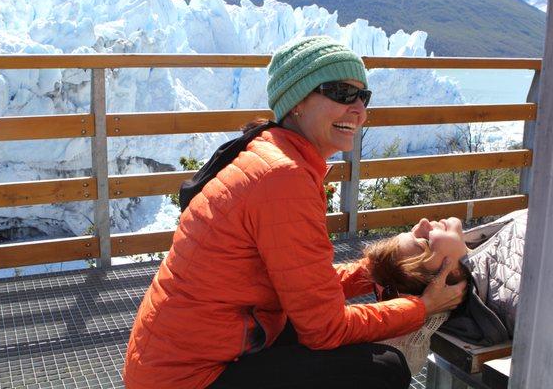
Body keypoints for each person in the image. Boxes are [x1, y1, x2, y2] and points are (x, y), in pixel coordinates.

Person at [123, 35, 466, 389]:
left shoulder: (271, 154)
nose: (359, 110)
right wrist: (421, 308)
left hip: (176, 360)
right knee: (384, 368)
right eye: (342, 93)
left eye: (364, 97)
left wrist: (372, 271)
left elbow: (301, 283)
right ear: (297, 101)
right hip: (191, 377)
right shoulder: (284, 177)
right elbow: (326, 330)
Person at [366, 209, 528, 351]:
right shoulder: (518, 299)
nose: (423, 222)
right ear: (450, 276)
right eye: (425, 242)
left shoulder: (476, 241)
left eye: (411, 231)